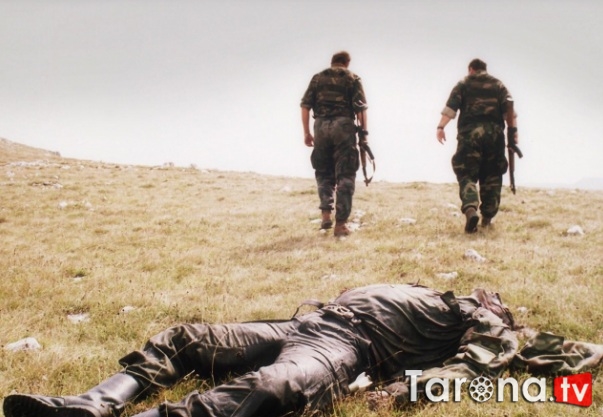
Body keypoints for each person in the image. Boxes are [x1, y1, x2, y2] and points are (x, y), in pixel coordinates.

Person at [3, 283, 516, 417]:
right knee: (186, 337)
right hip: (305, 321)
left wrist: (406, 390)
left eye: (494, 299)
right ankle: (93, 404)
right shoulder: (427, 292)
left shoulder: (479, 319)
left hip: (350, 347)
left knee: (274, 385)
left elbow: (478, 363)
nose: (487, 293)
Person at [436, 58, 519, 233]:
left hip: (470, 136)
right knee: (492, 176)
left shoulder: (464, 84)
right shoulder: (498, 85)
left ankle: (471, 208)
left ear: (471, 69)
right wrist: (513, 134)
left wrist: (441, 127)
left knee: (466, 173)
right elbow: (510, 112)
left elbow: (450, 109)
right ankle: (487, 219)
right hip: (494, 137)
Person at [300, 51, 369, 237]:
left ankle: (325, 214)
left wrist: (306, 132)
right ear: (347, 63)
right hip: (343, 127)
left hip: (320, 127)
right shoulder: (352, 78)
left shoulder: (317, 78)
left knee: (323, 172)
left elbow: (305, 106)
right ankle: (340, 225)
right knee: (345, 174)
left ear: (332, 62)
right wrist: (364, 135)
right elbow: (361, 110)